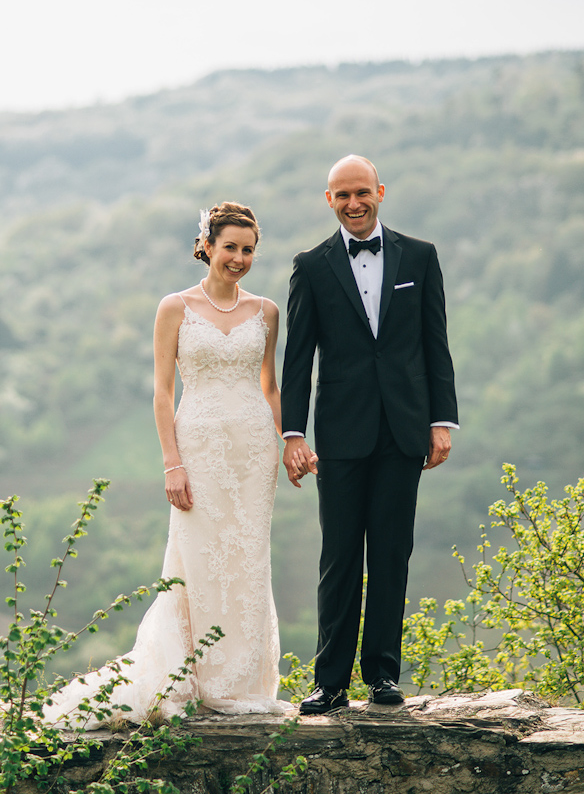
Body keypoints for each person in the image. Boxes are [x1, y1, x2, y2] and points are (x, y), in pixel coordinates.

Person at [45, 202, 290, 727]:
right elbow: (161, 392)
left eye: (248, 250)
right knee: (197, 559)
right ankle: (190, 677)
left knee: (247, 556)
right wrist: (171, 464)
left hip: (252, 451)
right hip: (197, 446)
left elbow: (270, 386)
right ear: (207, 246)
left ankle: (243, 683)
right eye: (230, 247)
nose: (239, 258)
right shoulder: (174, 307)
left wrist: (292, 439)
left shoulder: (267, 311)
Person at [281, 155, 458, 714]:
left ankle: (382, 675)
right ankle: (329, 682)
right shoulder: (310, 266)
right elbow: (297, 358)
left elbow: (436, 345)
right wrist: (292, 433)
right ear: (327, 200)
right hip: (340, 433)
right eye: (342, 195)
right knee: (337, 557)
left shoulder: (421, 256)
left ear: (379, 191)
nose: (353, 203)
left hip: (405, 430)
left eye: (362, 192)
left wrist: (441, 422)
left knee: (390, 555)